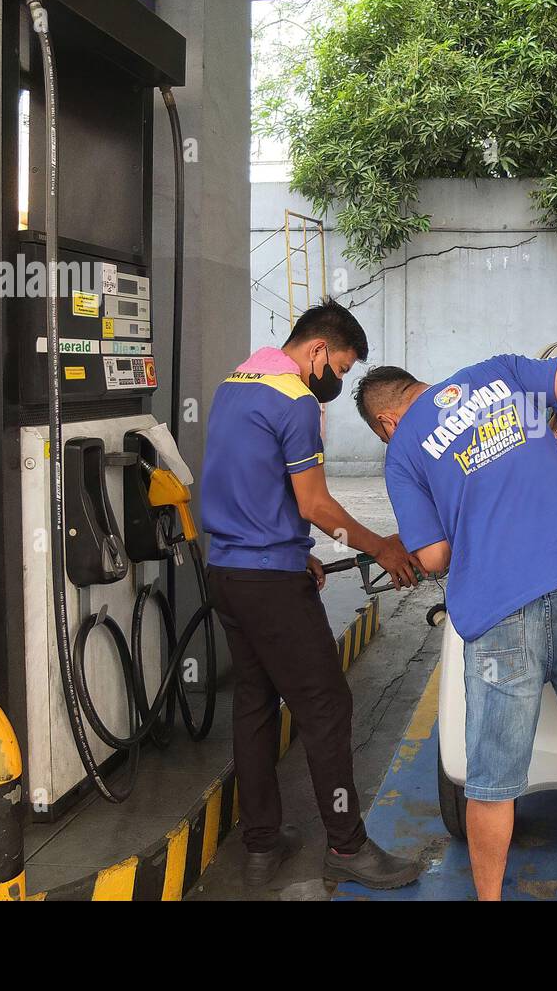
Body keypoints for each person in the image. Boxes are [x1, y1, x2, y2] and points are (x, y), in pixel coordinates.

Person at [354, 354, 557, 901]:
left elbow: (431, 555)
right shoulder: (498, 373)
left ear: (386, 423)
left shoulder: (404, 451)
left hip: (498, 610)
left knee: (493, 786)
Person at [199, 300, 424, 890]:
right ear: (318, 350)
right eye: (343, 368)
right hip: (270, 584)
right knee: (326, 708)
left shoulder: (233, 383)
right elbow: (316, 505)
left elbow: (243, 481)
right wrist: (380, 546)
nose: (339, 381)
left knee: (254, 703)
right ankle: (347, 847)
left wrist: (295, 552)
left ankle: (261, 844)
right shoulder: (296, 400)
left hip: (226, 571)